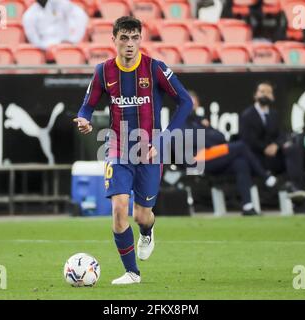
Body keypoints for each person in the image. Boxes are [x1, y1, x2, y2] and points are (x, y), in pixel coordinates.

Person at [73, 16, 193, 285]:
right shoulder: (103, 71)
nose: (129, 44)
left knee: (141, 215)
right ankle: (132, 272)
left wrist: (163, 140)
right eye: (124, 38)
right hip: (117, 147)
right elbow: (87, 105)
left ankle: (147, 231)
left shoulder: (155, 69)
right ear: (113, 39)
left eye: (134, 37)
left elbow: (185, 102)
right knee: (119, 208)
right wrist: (84, 119)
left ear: (141, 39)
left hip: (150, 149)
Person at [185, 90, 277, 216]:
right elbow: (196, 140)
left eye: (194, 102)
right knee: (241, 146)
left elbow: (221, 137)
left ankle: (248, 206)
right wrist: (208, 136)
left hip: (212, 156)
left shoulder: (201, 120)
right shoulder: (181, 120)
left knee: (241, 163)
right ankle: (265, 176)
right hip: (198, 160)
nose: (192, 105)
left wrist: (207, 135)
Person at [239, 81, 305, 201]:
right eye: (262, 92)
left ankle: (296, 188)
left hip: (274, 156)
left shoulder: (274, 114)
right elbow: (247, 140)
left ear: (273, 97)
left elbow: (282, 135)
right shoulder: (247, 115)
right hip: (257, 158)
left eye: (269, 92)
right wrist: (264, 148)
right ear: (255, 95)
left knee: (293, 150)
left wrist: (276, 145)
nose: (265, 95)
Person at [22, 0, 88, 50]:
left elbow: (80, 16)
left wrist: (71, 40)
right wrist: (47, 47)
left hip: (66, 46)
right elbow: (34, 40)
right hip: (46, 48)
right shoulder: (29, 15)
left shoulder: (59, 3)